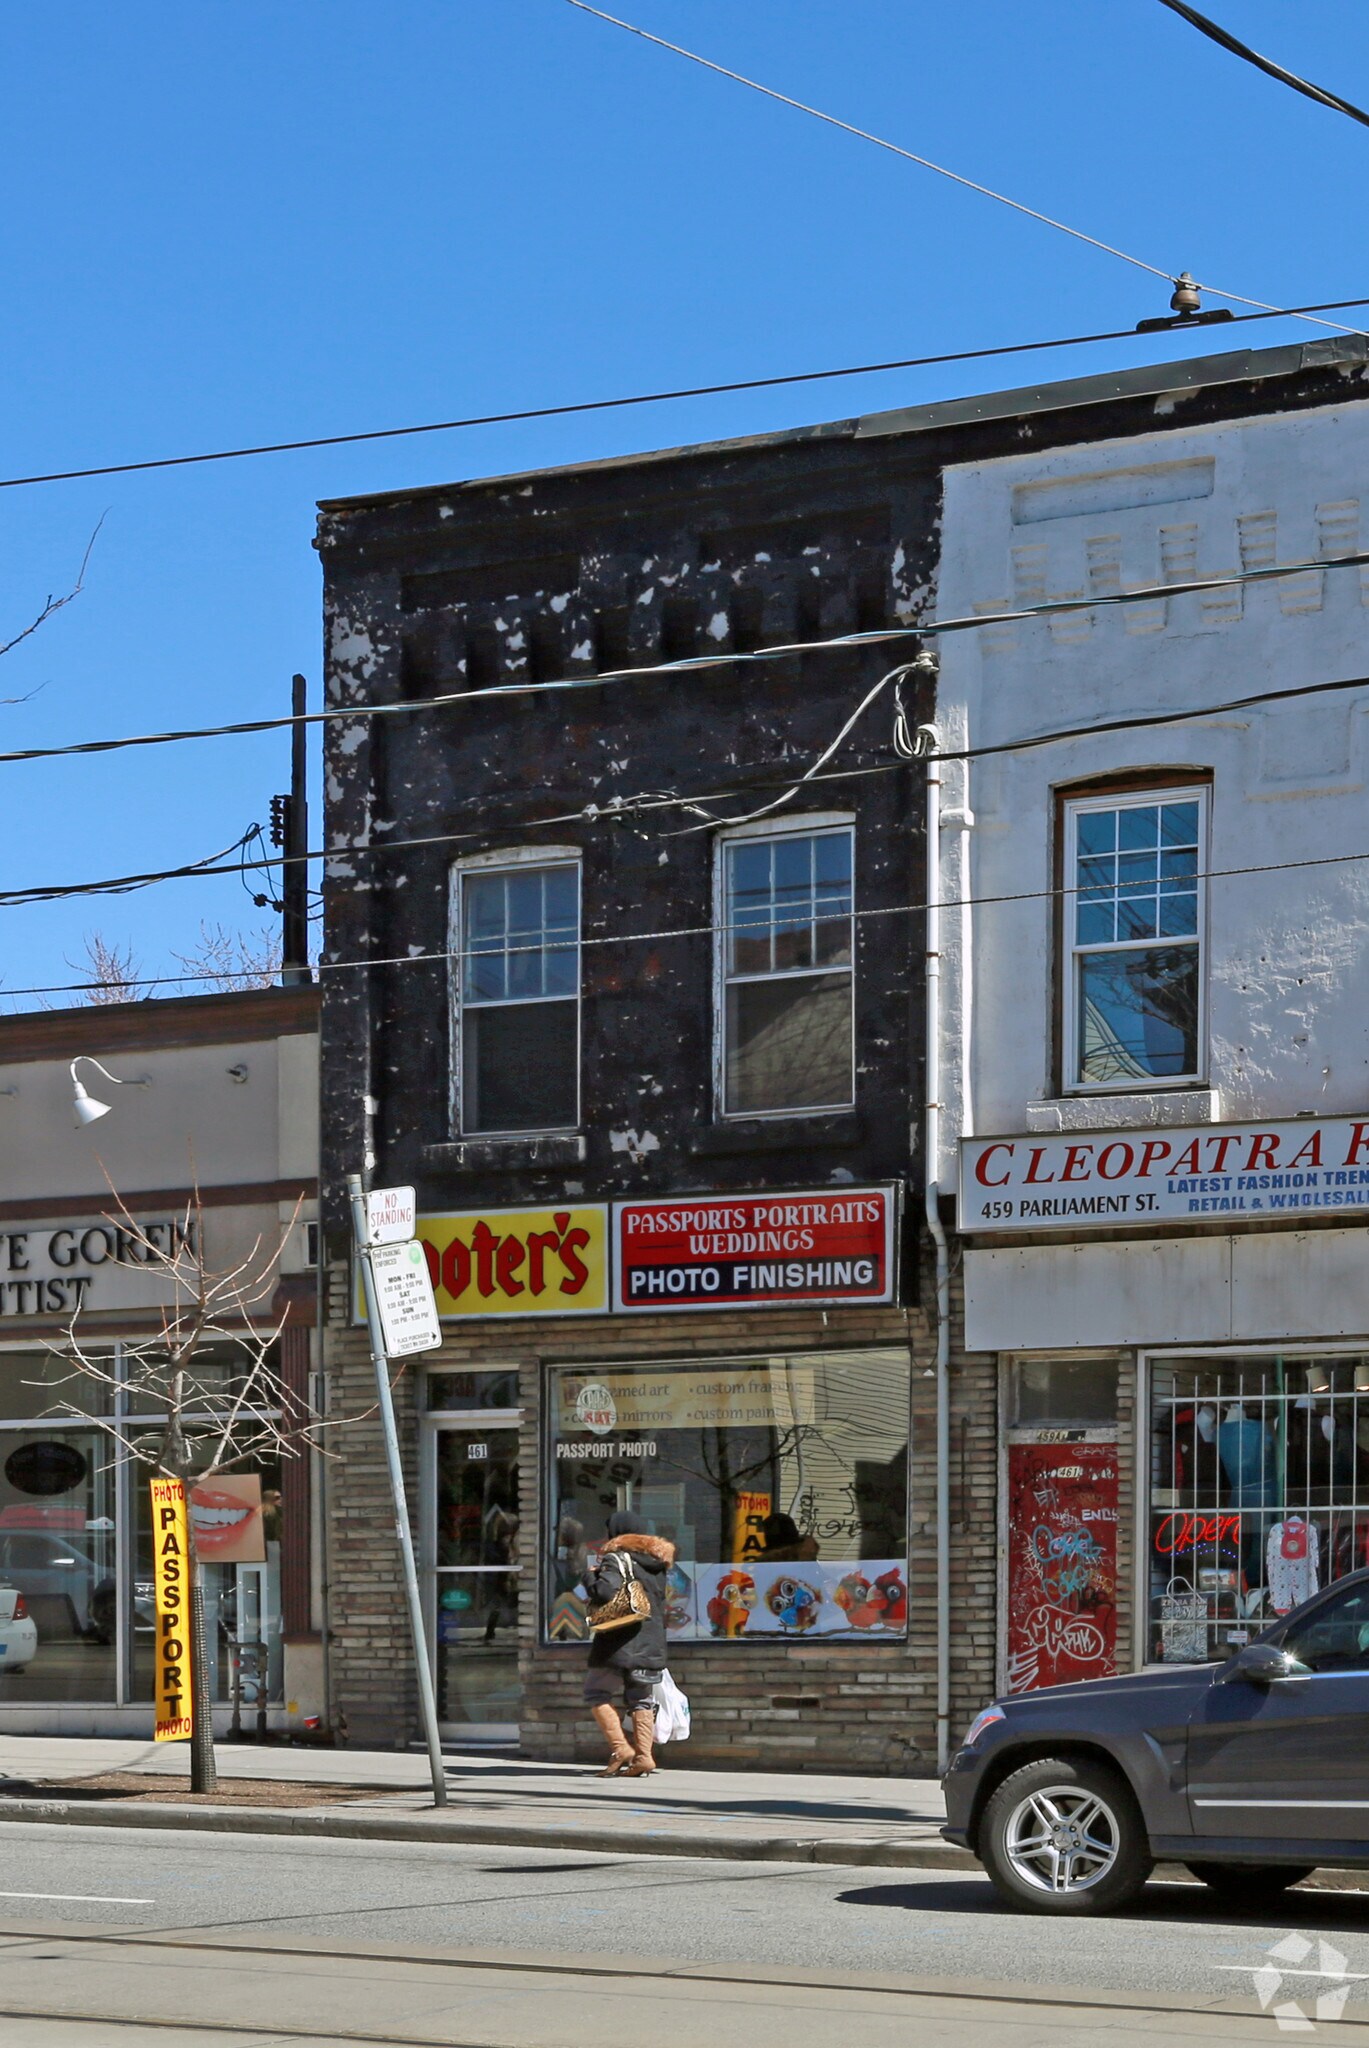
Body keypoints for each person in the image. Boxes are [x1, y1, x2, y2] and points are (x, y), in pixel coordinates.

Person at [583, 1509, 675, 1777]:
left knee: (596, 1693)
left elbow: (604, 1591)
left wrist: (590, 1576)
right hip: (651, 1643)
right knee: (641, 1700)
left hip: (617, 1642)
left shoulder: (616, 1557)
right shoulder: (657, 1563)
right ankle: (644, 1757)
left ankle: (620, 1749)